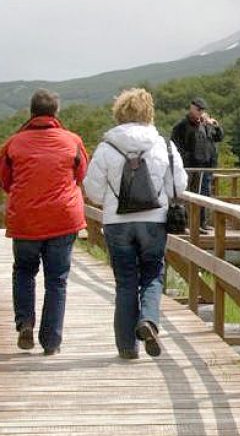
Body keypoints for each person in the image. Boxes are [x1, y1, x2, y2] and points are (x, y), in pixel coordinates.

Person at [84, 88, 187, 360]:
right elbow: (178, 186)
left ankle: (127, 348)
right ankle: (149, 321)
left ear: (119, 112)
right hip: (154, 221)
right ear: (149, 112)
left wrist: (110, 199)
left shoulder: (107, 147)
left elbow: (92, 190)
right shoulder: (163, 144)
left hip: (117, 223)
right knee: (152, 275)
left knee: (126, 283)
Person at [0, 89, 88, 355]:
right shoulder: (72, 141)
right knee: (57, 279)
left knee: (24, 271)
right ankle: (51, 342)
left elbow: (5, 181)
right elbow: (81, 173)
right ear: (55, 112)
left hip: (26, 220)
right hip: (63, 218)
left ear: (31, 111)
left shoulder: (13, 144)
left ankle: (25, 322)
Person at [171, 97, 223, 230]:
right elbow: (175, 145)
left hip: (204, 166)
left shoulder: (205, 124)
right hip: (189, 166)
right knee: (187, 195)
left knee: (202, 196)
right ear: (191, 108)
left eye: (202, 110)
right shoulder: (182, 125)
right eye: (198, 109)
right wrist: (187, 157)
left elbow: (218, 137)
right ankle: (186, 224)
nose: (200, 112)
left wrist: (214, 125)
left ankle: (200, 224)